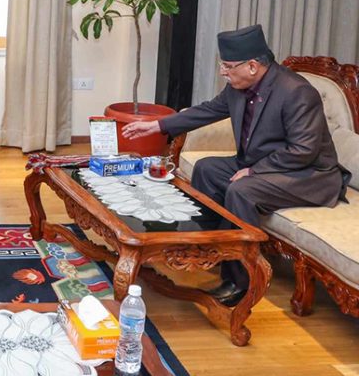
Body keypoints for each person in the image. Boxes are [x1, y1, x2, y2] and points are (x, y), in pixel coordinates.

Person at [123, 24, 350, 305]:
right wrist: (158, 125)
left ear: (252, 66)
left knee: (242, 190)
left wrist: (253, 171)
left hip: (308, 174)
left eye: (228, 66)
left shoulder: (297, 92)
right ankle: (206, 247)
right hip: (265, 164)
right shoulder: (239, 87)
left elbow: (304, 150)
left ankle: (240, 281)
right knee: (207, 169)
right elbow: (208, 110)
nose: (223, 72)